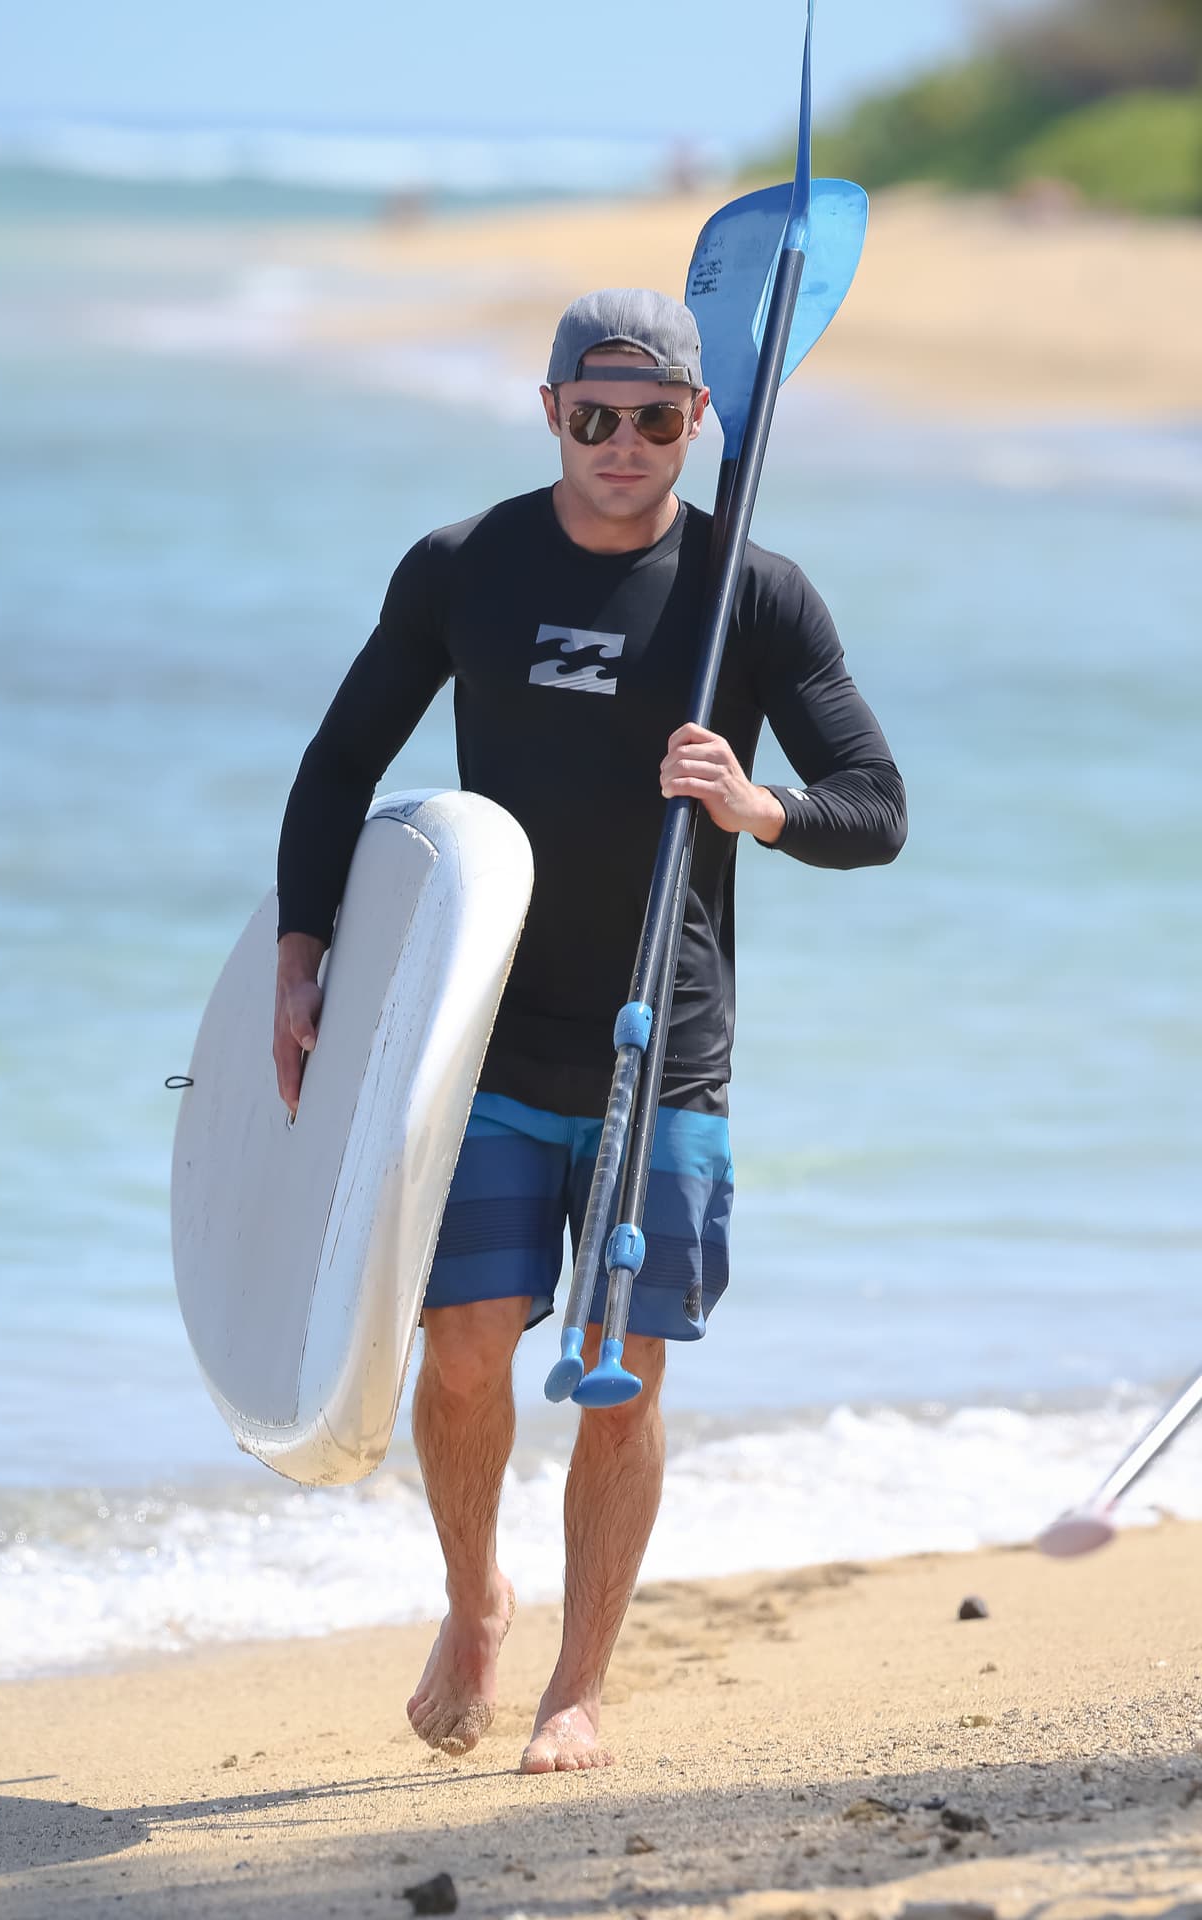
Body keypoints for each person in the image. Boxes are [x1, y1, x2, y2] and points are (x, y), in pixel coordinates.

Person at [273, 287, 906, 1774]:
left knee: (623, 1373)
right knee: (465, 1350)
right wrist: (303, 946)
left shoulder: (755, 596)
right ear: (551, 412)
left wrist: (761, 807)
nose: (623, 444)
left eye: (658, 418)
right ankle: (473, 1596)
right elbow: (340, 760)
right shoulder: (467, 568)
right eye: (593, 414)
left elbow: (875, 809)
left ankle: (579, 1683)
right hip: (483, 1033)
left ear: (701, 424)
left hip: (662, 1049)